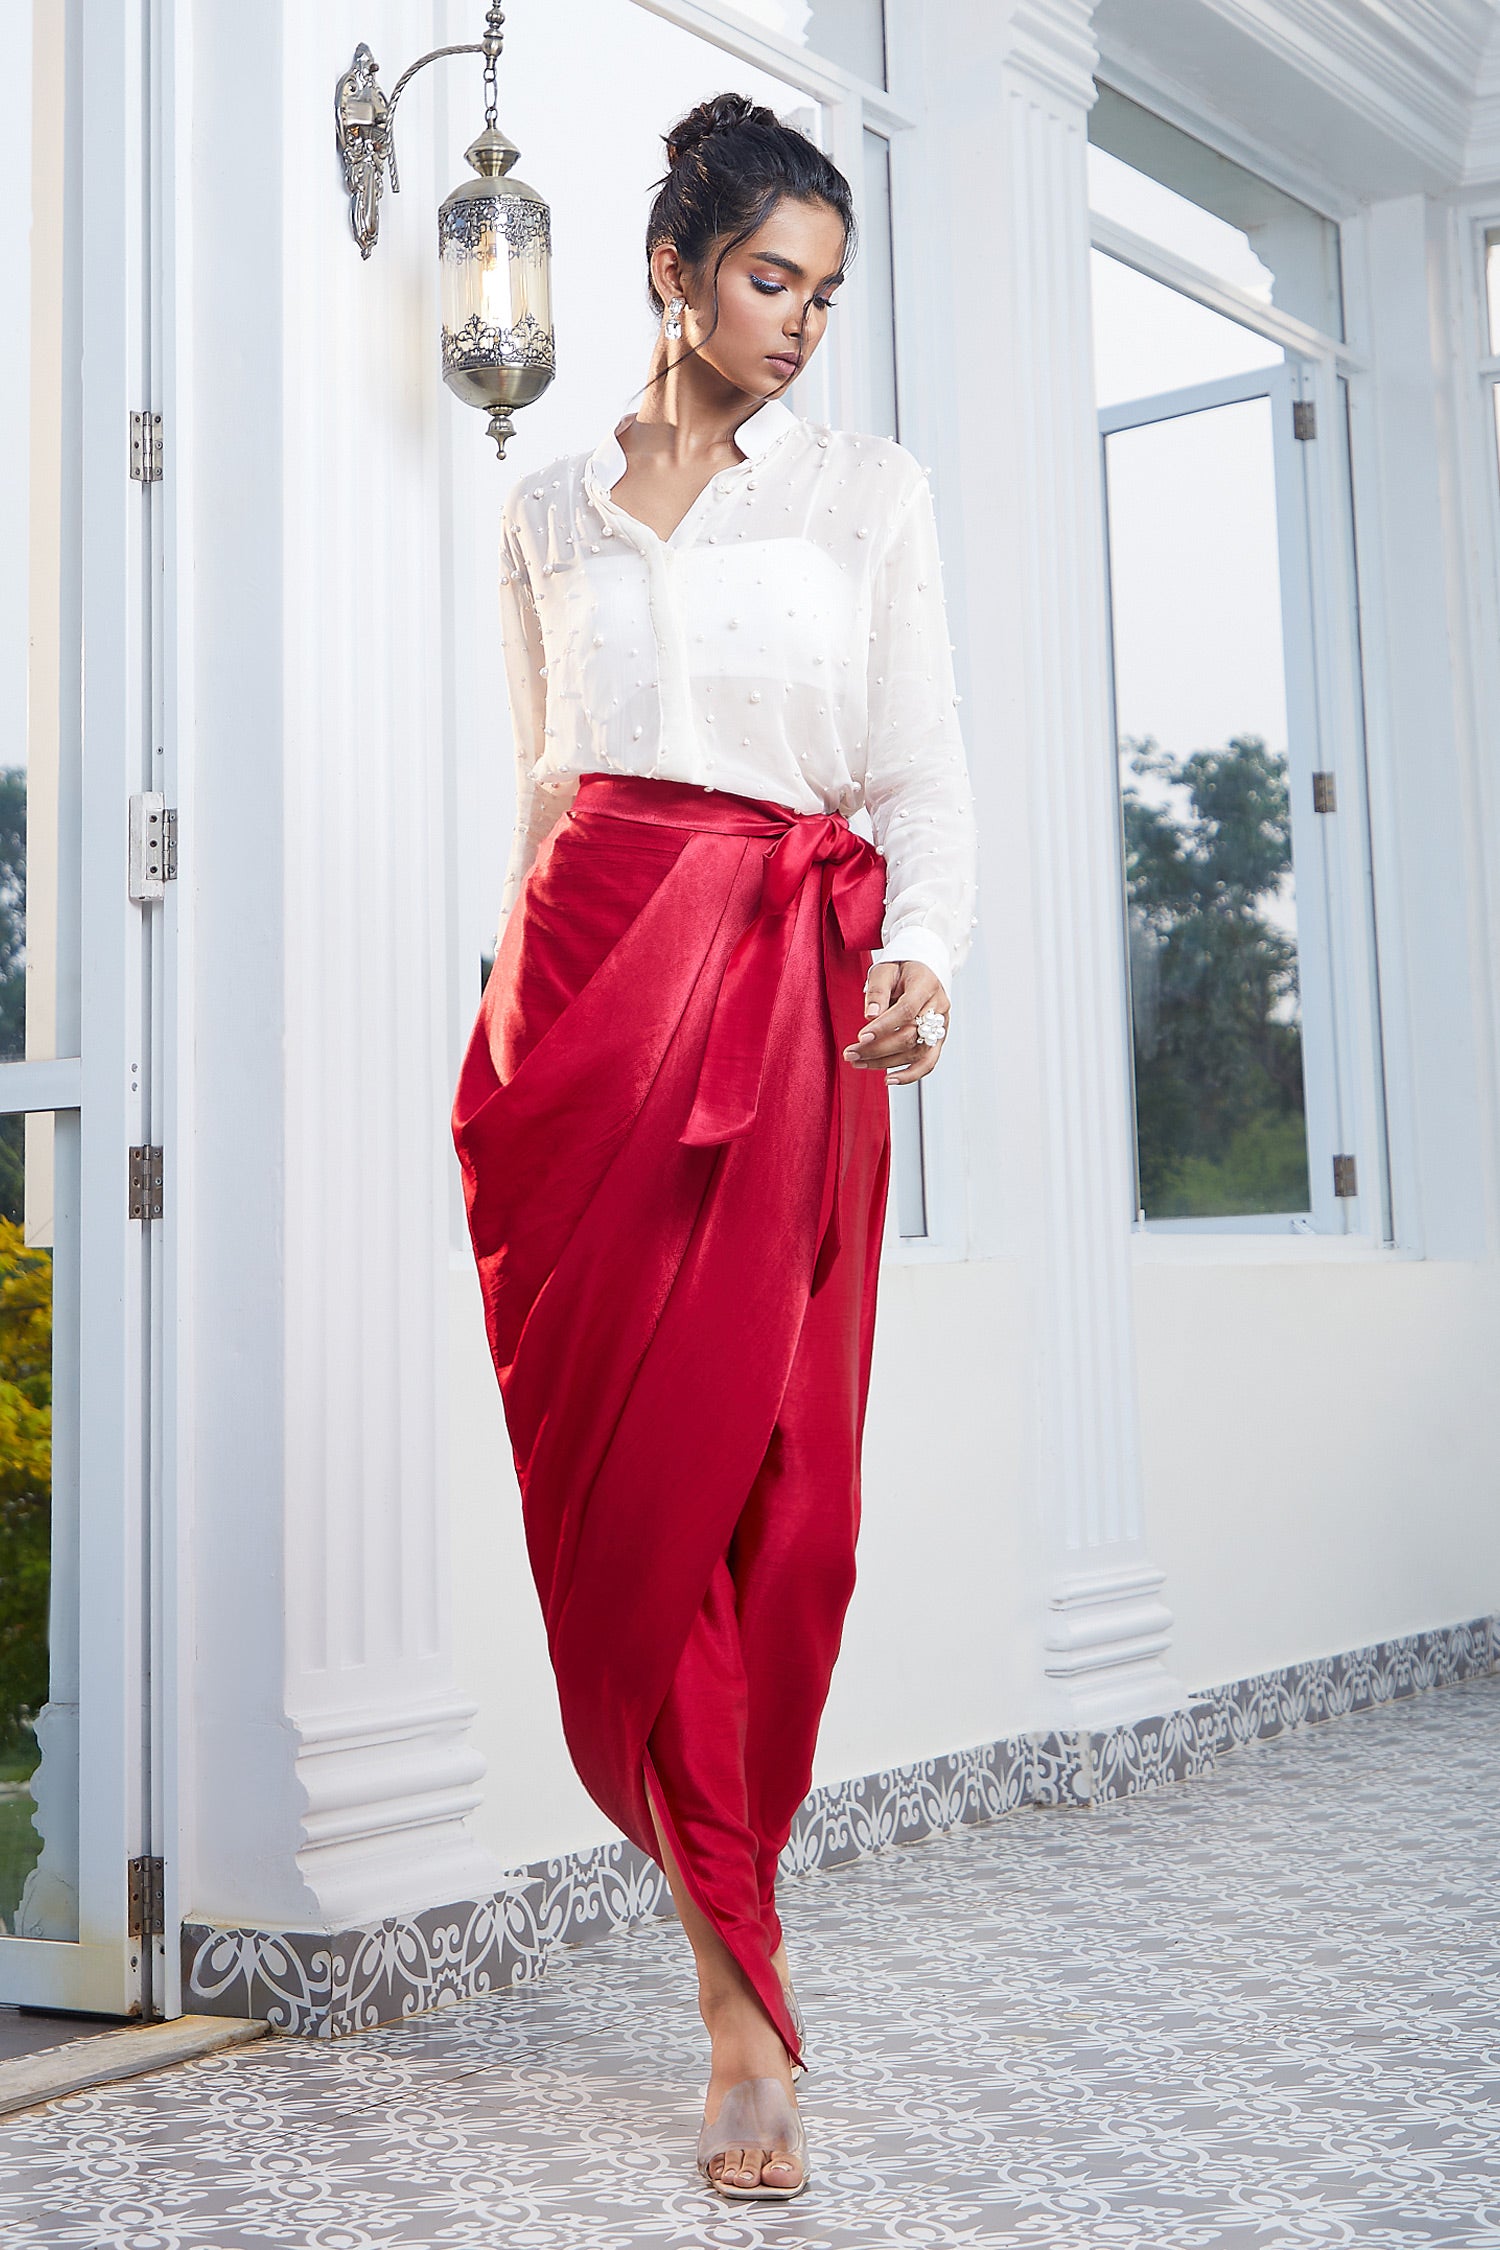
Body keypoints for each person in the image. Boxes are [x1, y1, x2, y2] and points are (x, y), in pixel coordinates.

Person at [451, 91, 978, 2203]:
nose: (802, 324)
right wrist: (502, 1010)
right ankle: (735, 2021)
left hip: (782, 998)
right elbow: (545, 785)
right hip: (580, 1008)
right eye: (773, 279)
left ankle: (739, 1957)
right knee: (628, 1506)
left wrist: (925, 948)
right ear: (669, 273)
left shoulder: (869, 497)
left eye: (828, 294)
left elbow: (922, 764)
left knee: (779, 1495)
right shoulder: (548, 512)